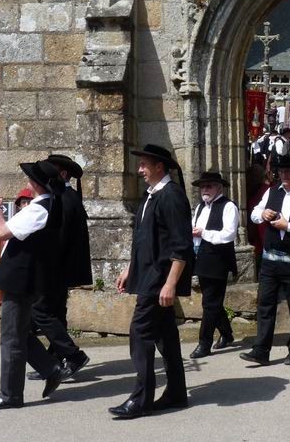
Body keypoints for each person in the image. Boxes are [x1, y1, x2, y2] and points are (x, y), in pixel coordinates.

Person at [111, 145, 193, 419]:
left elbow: (181, 246)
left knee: (140, 333)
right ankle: (177, 392)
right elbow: (143, 241)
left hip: (158, 280)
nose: (140, 170)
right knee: (165, 335)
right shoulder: (151, 195)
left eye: (144, 165)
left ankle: (141, 399)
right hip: (146, 275)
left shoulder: (171, 196)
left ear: (159, 166)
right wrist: (129, 270)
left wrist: (170, 284)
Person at [0, 160, 66, 410]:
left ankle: (10, 395)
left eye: (30, 179)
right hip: (21, 276)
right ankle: (51, 368)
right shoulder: (45, 206)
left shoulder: (39, 209)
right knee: (17, 332)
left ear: (37, 184)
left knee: (12, 338)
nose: (26, 182)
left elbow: (2, 233)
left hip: (22, 279)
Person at [240, 154, 290, 367]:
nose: (283, 175)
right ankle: (261, 350)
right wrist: (262, 214)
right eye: (281, 171)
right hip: (270, 260)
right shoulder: (272, 190)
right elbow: (254, 213)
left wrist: (289, 227)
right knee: (265, 305)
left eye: (289, 171)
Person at [28, 154, 92, 382]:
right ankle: (54, 359)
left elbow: (59, 237)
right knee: (55, 312)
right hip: (59, 267)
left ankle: (72, 355)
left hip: (54, 267)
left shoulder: (64, 197)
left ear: (62, 173)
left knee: (40, 312)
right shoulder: (64, 195)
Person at [189, 171, 239, 359]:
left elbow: (229, 234)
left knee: (209, 303)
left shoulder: (228, 207)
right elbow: (195, 230)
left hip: (218, 259)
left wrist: (203, 233)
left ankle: (204, 343)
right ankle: (227, 334)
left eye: (209, 186)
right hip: (201, 257)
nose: (205, 189)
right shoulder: (200, 207)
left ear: (219, 187)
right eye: (202, 186)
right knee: (212, 302)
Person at [246, 164, 270, 280]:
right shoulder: (248, 191)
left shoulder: (266, 190)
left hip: (262, 234)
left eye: (254, 176)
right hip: (253, 234)